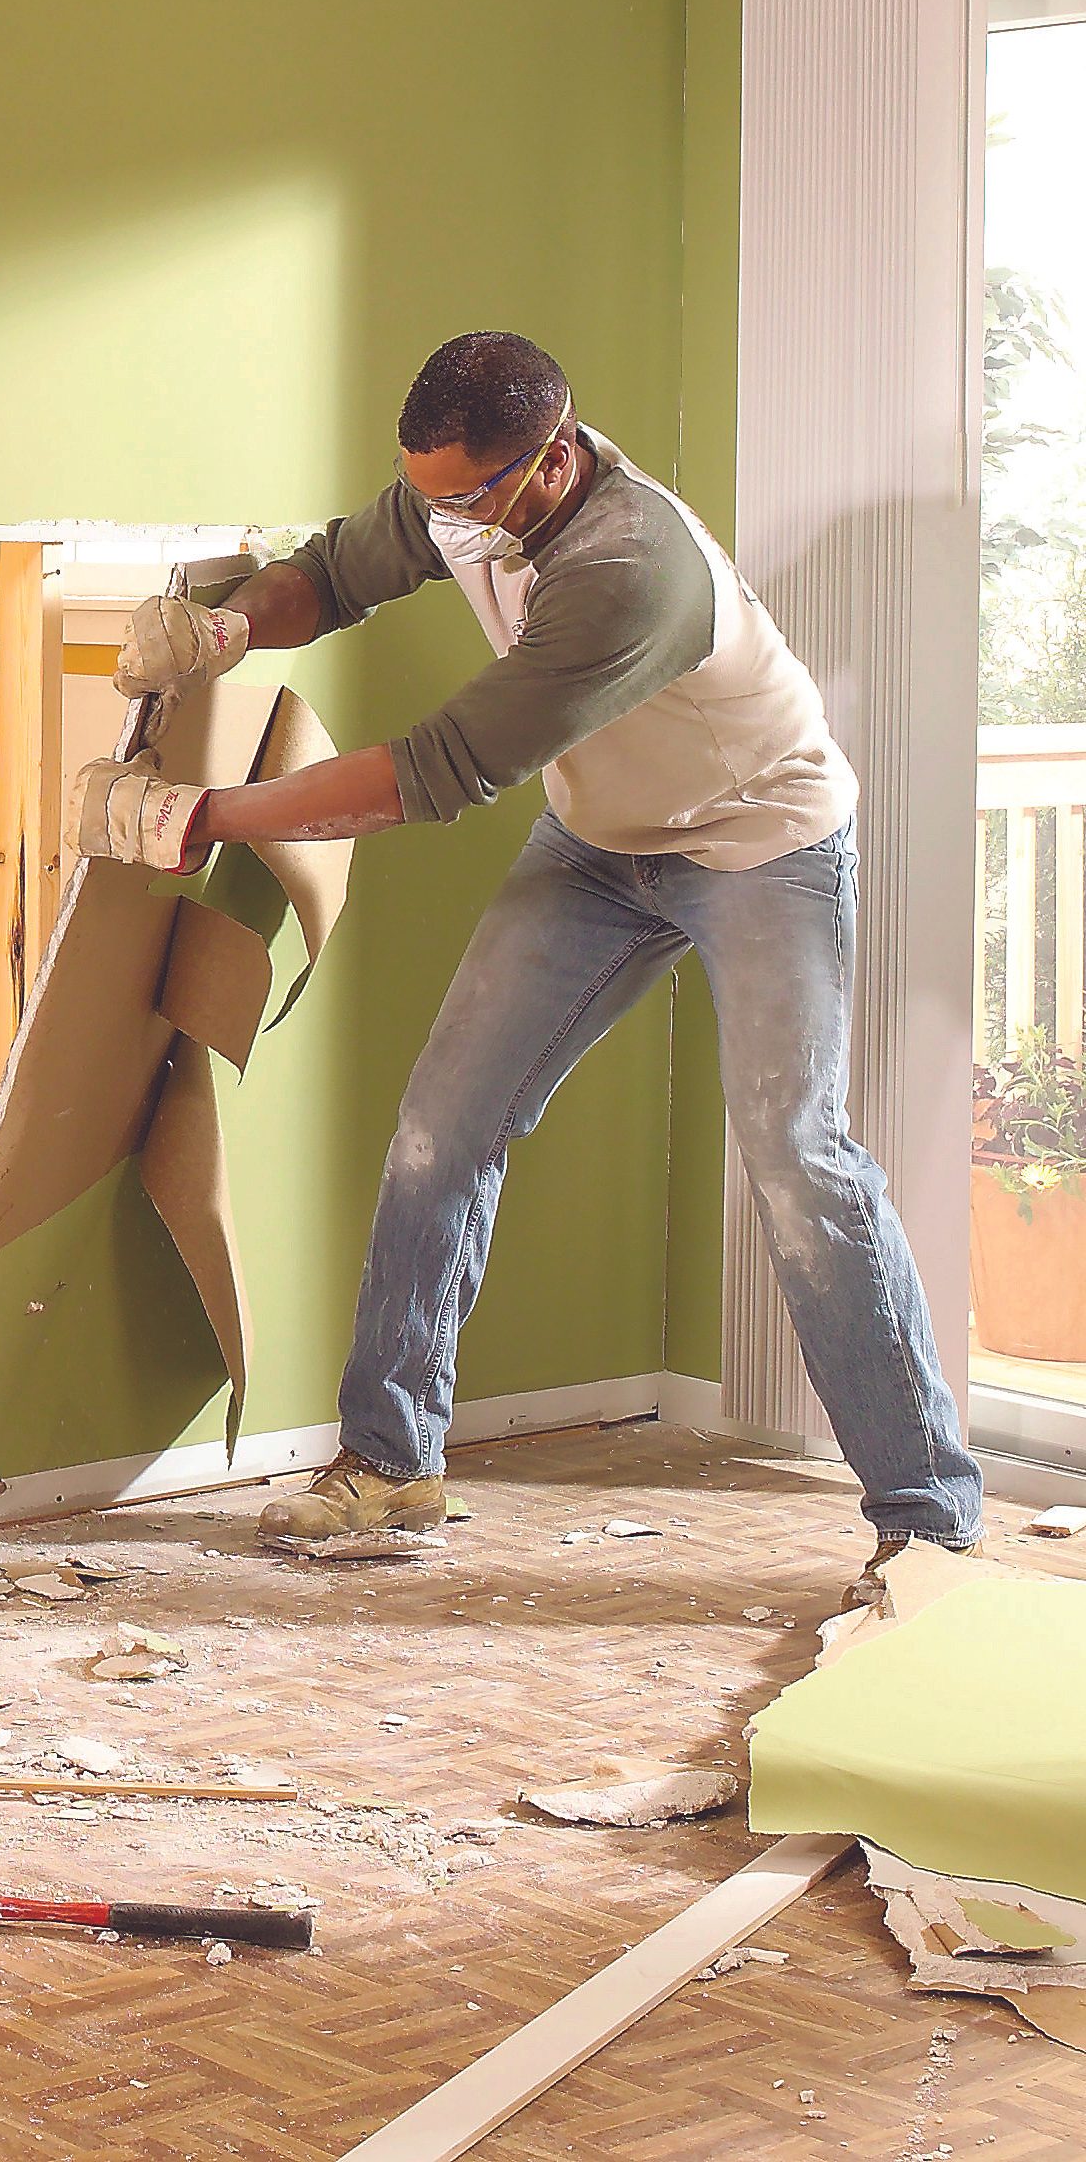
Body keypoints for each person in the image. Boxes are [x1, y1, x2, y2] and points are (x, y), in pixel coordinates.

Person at [75, 329, 980, 1595]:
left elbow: (430, 774)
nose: (441, 518)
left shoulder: (629, 572)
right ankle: (392, 1468)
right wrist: (224, 630)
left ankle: (929, 1518)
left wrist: (199, 816)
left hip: (758, 841)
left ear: (551, 460)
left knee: (796, 1157)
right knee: (442, 1129)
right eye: (426, 490)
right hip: (603, 844)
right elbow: (334, 575)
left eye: (465, 495)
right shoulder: (464, 498)